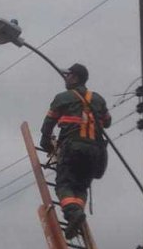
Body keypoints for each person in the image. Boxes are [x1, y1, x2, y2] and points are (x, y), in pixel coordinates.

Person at [40, 63, 111, 238]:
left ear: (76, 77)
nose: (66, 78)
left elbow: (48, 124)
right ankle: (77, 210)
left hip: (73, 148)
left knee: (64, 184)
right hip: (95, 152)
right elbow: (107, 121)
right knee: (81, 186)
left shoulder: (63, 98)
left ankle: (73, 213)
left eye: (69, 75)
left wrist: (46, 142)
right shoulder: (98, 99)